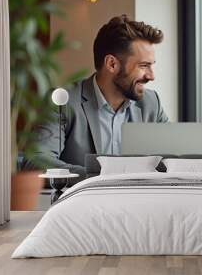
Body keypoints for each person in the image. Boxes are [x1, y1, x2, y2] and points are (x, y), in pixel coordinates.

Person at [30, 15, 168, 178]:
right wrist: (99, 177)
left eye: (151, 66)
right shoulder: (63, 101)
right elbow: (38, 161)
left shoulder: (151, 103)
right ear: (111, 64)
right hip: (82, 202)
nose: (151, 76)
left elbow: (170, 162)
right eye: (143, 66)